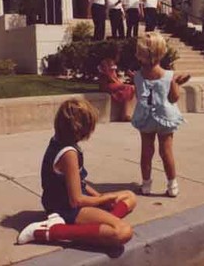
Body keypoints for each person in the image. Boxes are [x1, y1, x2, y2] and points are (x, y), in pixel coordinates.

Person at [17, 98, 137, 246]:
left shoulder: (59, 141)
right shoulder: (68, 154)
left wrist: (98, 196)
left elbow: (79, 182)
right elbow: (77, 200)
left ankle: (96, 224)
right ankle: (50, 231)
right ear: (82, 128)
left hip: (67, 203)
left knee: (130, 197)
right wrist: (104, 199)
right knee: (122, 232)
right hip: (66, 209)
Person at [131, 32, 190, 197]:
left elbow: (138, 96)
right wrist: (176, 85)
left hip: (145, 118)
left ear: (140, 55)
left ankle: (146, 185)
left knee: (146, 152)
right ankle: (172, 185)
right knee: (166, 151)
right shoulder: (169, 75)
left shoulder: (137, 76)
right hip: (165, 117)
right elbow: (173, 98)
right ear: (161, 53)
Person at [98, 45, 135, 121]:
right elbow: (110, 77)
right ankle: (124, 114)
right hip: (106, 85)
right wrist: (120, 83)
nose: (119, 56)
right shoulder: (107, 63)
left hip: (111, 84)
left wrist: (120, 82)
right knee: (128, 88)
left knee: (130, 88)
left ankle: (124, 114)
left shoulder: (112, 63)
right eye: (118, 54)